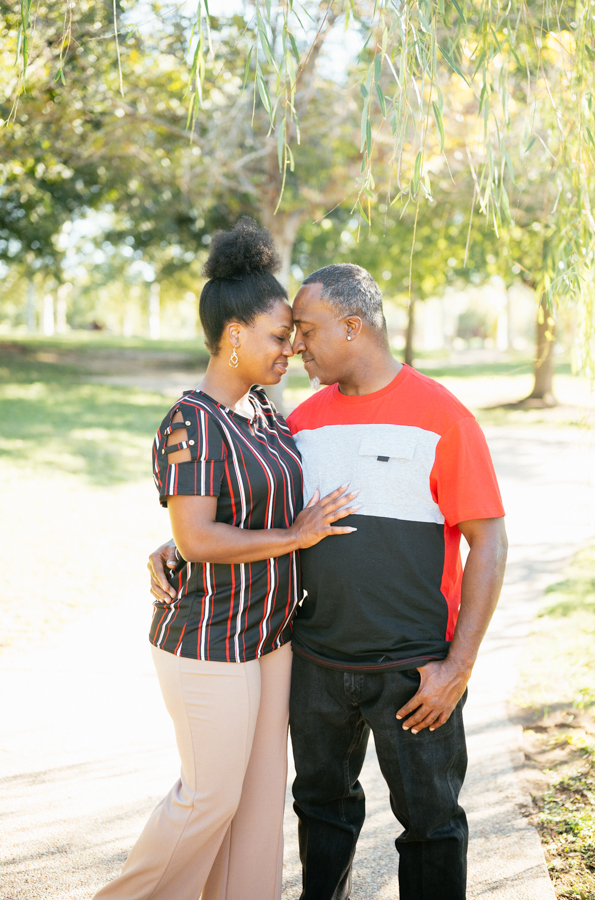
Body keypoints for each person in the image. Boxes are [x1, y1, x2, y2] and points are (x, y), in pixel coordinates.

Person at [150, 262, 508, 900]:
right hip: (313, 661)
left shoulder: (444, 418)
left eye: (306, 331)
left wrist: (459, 665)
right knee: (320, 813)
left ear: (352, 327)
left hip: (414, 669)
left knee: (431, 826)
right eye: (287, 334)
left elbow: (489, 541)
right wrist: (178, 548)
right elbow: (253, 510)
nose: (295, 347)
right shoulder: (302, 424)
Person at [93, 220, 358, 900]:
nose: (289, 350)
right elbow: (200, 539)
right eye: (278, 337)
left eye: (294, 337)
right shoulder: (192, 421)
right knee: (208, 799)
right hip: (210, 639)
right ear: (234, 333)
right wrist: (292, 538)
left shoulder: (264, 413)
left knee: (257, 807)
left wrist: (189, 538)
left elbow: (224, 515)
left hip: (270, 638)